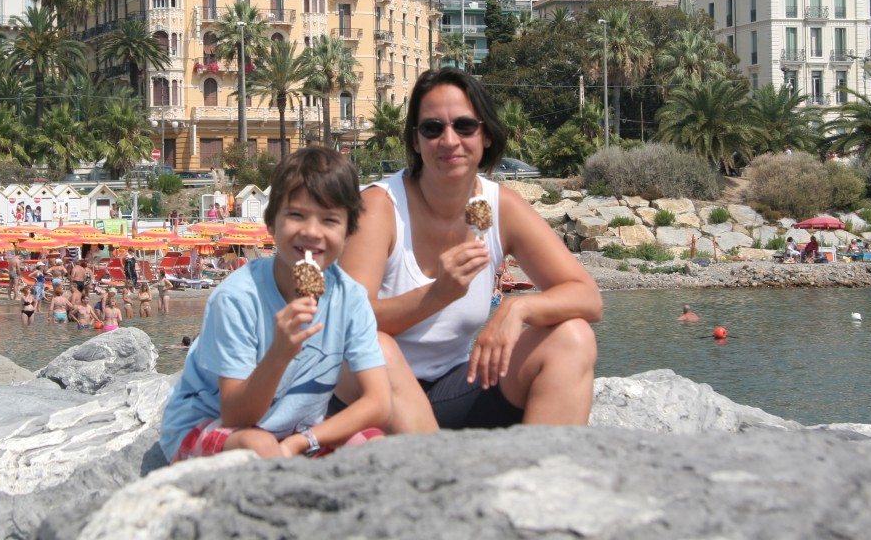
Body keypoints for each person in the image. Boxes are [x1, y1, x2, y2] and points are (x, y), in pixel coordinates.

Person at [336, 67, 603, 430]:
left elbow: (587, 298)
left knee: (573, 337)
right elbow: (349, 323)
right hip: (371, 394)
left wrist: (517, 308)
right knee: (377, 347)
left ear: (486, 135)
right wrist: (437, 294)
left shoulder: (500, 207)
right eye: (432, 128)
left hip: (451, 389)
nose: (449, 140)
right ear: (415, 141)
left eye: (464, 126)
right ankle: (445, 474)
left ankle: (543, 479)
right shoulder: (381, 207)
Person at [159, 146, 390, 462]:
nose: (311, 231)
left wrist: (303, 442)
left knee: (376, 447)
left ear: (349, 231)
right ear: (271, 224)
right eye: (296, 215)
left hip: (294, 434)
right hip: (208, 423)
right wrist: (279, 353)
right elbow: (237, 415)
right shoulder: (237, 298)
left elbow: (379, 402)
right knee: (262, 448)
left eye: (330, 220)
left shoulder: (350, 297)